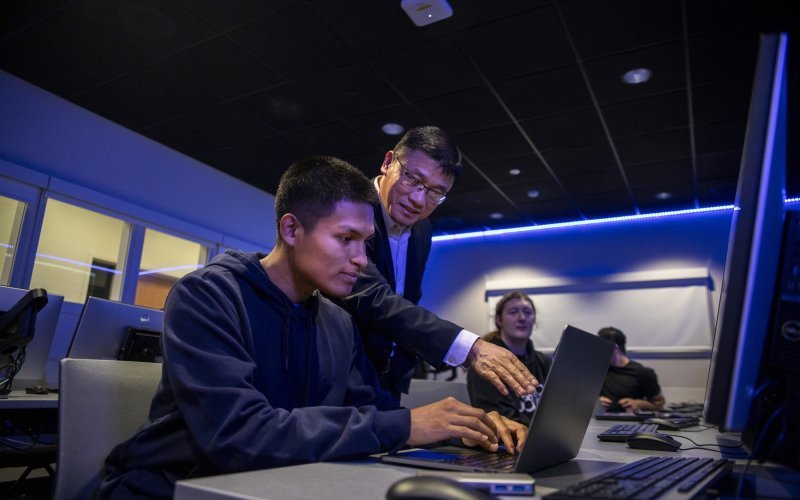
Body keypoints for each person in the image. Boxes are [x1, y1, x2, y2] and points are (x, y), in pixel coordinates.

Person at [96, 156, 526, 499]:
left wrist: (462, 428)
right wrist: (407, 426)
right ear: (291, 229)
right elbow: (239, 436)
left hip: (276, 484)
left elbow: (374, 411)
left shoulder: (336, 320)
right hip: (173, 487)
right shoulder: (207, 296)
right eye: (345, 239)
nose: (361, 259)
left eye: (365, 243)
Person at [336, 125, 537, 402]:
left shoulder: (422, 230)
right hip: (342, 375)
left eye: (435, 193)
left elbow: (408, 299)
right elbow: (372, 298)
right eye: (412, 179)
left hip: (389, 381)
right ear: (388, 162)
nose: (419, 200)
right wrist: (469, 347)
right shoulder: (350, 210)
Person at [467, 292, 552, 426]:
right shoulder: (486, 365)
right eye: (513, 312)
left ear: (534, 319)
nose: (522, 318)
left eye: (527, 312)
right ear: (499, 320)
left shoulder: (545, 362)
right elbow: (500, 422)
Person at [597, 327, 666, 412]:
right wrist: (595, 402)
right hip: (596, 419)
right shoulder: (594, 370)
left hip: (629, 419)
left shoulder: (643, 373)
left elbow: (659, 405)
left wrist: (639, 404)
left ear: (615, 348)